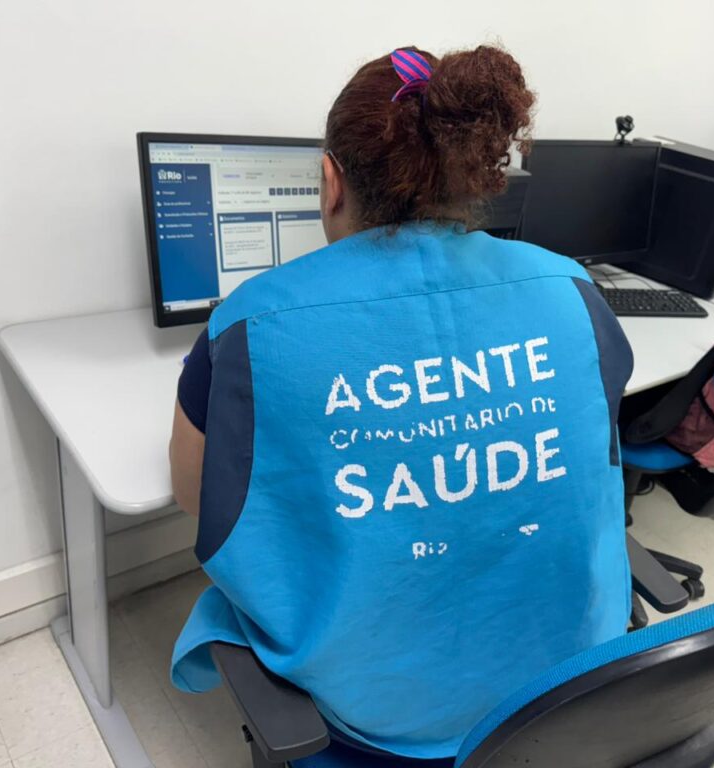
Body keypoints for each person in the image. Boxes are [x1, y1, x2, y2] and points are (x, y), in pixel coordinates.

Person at [168, 45, 634, 760]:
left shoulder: (247, 326)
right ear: (474, 175)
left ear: (331, 181)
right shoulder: (572, 288)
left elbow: (195, 497)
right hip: (564, 694)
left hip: (378, 723)